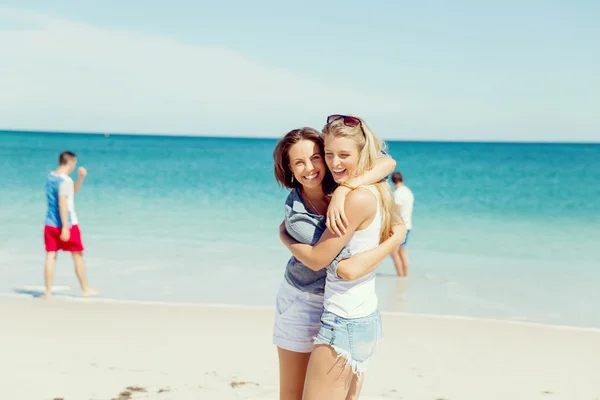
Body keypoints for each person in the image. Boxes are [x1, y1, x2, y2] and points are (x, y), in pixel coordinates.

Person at [279, 115, 405, 400]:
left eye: (344, 155)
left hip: (343, 320)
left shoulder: (354, 197)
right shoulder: (376, 188)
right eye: (329, 154)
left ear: (363, 154)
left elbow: (338, 266)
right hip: (365, 316)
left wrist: (284, 237)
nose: (334, 163)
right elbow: (387, 163)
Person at [43, 151, 100, 300]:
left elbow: (72, 192)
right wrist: (66, 227)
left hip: (49, 223)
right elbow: (63, 202)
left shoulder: (51, 177)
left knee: (51, 255)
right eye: (74, 163)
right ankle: (85, 289)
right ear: (70, 162)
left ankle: (48, 292)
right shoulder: (65, 181)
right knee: (78, 255)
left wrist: (80, 178)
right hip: (67, 223)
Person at [390, 171, 414, 277]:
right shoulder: (408, 192)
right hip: (408, 225)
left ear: (393, 182)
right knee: (402, 252)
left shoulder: (398, 193)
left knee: (394, 253)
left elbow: (397, 212)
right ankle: (405, 276)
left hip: (399, 227)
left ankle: (400, 276)